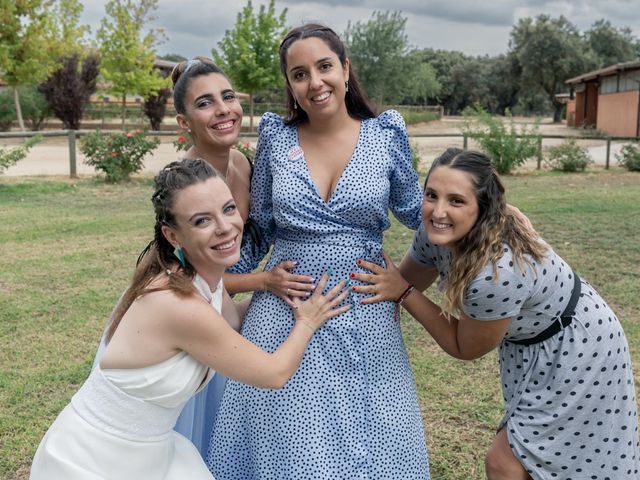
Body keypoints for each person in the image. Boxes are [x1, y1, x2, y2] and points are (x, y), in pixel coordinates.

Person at [30, 159, 350, 480]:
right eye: (201, 221)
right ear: (173, 235)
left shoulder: (198, 278)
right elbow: (274, 373)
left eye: (228, 209)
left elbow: (231, 321)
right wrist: (308, 321)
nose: (225, 227)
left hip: (151, 455)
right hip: (94, 459)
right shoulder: (176, 303)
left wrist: (274, 295)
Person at [209, 24, 431, 479]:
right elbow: (261, 229)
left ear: (345, 69)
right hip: (285, 307)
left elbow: (419, 214)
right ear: (290, 85)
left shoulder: (385, 135)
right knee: (292, 445)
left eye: (324, 66)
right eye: (299, 74)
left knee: (375, 435)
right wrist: (211, 276)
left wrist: (492, 214)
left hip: (365, 306)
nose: (315, 82)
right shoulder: (276, 137)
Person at [352, 148, 640, 479]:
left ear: (482, 208)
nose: (438, 211)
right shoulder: (433, 233)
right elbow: (397, 283)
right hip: (532, 344)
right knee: (527, 465)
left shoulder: (496, 272)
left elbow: (464, 346)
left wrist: (403, 293)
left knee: (508, 462)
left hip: (579, 347)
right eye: (431, 195)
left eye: (457, 201)